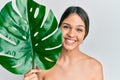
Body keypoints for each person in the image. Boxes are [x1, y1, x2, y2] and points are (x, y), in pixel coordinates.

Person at [24, 6, 103, 80]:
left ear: (85, 34)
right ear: (58, 29)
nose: (71, 34)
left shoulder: (95, 67)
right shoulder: (42, 66)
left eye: (79, 29)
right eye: (66, 27)